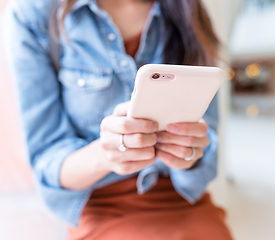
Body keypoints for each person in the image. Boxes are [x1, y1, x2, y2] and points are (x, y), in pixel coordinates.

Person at [3, 0, 233, 239]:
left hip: (181, 199)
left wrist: (190, 155)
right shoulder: (34, 16)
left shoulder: (187, 10)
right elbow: (46, 162)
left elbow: (207, 145)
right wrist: (105, 155)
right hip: (101, 205)